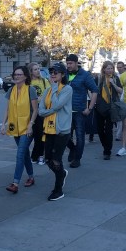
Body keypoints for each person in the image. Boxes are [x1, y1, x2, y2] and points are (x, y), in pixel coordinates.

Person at [38, 62, 73, 201]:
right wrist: (49, 111)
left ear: (63, 74)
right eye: (51, 72)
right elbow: (41, 110)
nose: (52, 74)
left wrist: (53, 88)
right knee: (48, 159)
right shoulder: (48, 90)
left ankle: (58, 190)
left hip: (61, 130)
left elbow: (58, 104)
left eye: (55, 72)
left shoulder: (67, 89)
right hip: (48, 128)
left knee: (56, 160)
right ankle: (62, 174)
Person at [1, 65, 38, 193]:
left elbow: (35, 110)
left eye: (19, 74)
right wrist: (3, 124)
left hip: (27, 129)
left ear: (25, 76)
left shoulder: (30, 90)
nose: (16, 76)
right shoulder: (11, 90)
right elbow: (8, 109)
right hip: (14, 127)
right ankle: (31, 177)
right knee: (25, 153)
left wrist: (30, 125)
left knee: (20, 154)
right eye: (15, 74)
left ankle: (15, 183)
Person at [64, 54, 98, 168]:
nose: (68, 65)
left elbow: (94, 90)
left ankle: (77, 159)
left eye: (70, 63)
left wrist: (90, 108)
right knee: (64, 135)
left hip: (79, 111)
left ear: (76, 63)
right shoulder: (65, 74)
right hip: (65, 110)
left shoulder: (84, 75)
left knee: (79, 136)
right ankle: (73, 149)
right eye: (67, 63)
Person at [95, 61, 122, 160]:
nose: (110, 70)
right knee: (100, 129)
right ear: (104, 69)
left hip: (111, 107)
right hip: (99, 107)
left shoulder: (115, 78)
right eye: (108, 68)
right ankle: (105, 146)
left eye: (111, 68)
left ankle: (107, 151)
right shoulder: (99, 78)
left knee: (109, 130)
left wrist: (113, 84)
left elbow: (121, 91)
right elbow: (93, 90)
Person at [28, 62, 50, 165]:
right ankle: (35, 155)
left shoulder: (44, 81)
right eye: (35, 69)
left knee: (42, 135)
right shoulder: (28, 83)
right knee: (36, 135)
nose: (38, 71)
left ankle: (40, 156)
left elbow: (50, 94)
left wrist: (42, 99)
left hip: (42, 112)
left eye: (38, 69)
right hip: (32, 112)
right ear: (31, 72)